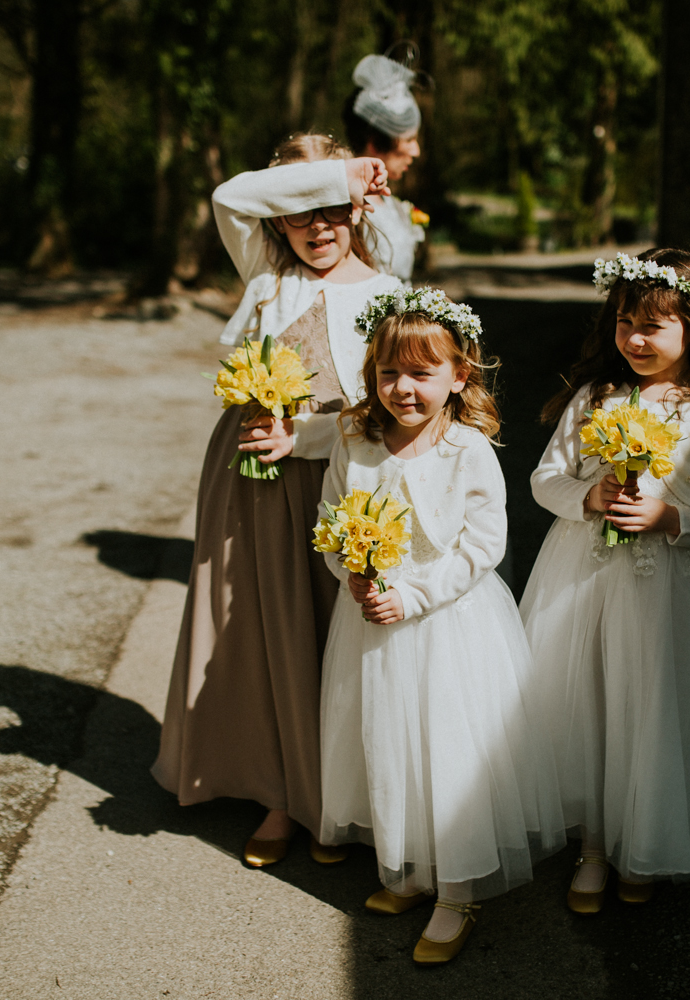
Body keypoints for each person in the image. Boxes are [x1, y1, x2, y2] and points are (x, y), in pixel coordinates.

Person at [152, 133, 404, 868]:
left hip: (331, 468)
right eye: (298, 209)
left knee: (329, 626)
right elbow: (230, 196)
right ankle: (278, 794)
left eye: (332, 207)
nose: (317, 226)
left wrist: (309, 442)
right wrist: (337, 172)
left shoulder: (385, 295)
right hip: (248, 472)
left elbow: (385, 408)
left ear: (357, 207)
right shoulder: (266, 275)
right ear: (278, 219)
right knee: (260, 626)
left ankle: (335, 790)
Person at [317, 288, 564, 963]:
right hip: (372, 625)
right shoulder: (357, 441)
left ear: (459, 376)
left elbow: (482, 549)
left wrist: (416, 595)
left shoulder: (467, 450)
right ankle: (410, 869)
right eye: (389, 372)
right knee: (389, 743)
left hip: (448, 625)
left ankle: (457, 889)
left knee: (448, 753)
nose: (402, 388)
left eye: (422, 373)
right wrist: (354, 576)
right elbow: (331, 524)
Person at [519, 248, 690, 911]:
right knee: (591, 705)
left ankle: (643, 842)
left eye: (653, 326)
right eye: (625, 323)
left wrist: (671, 514)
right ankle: (593, 845)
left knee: (651, 709)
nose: (635, 340)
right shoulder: (593, 399)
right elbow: (545, 478)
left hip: (666, 591)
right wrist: (588, 498)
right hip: (585, 579)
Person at [342, 52, 426, 281]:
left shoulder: (394, 205)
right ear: (376, 143)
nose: (416, 151)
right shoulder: (340, 209)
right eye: (409, 140)